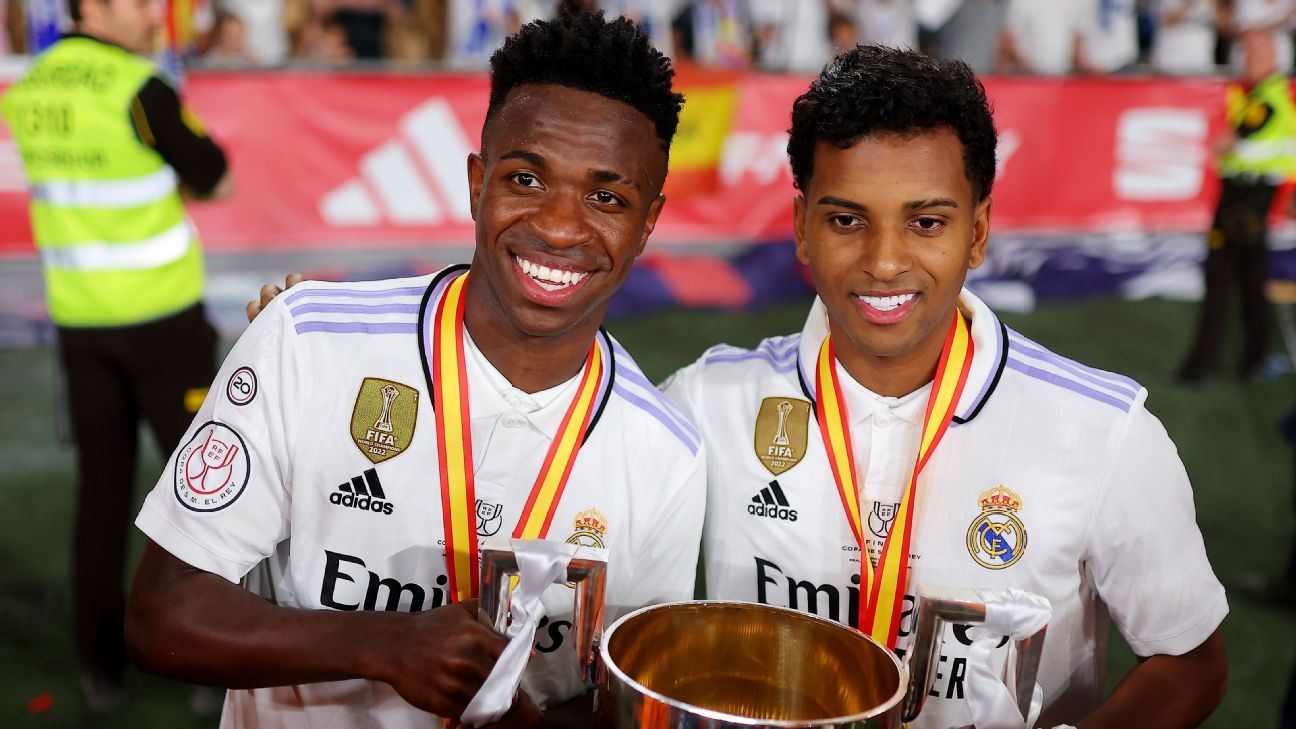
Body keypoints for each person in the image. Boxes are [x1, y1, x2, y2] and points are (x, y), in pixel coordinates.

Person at [125, 10, 704, 728]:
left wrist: (514, 717)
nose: (559, 226)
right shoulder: (306, 340)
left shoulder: (667, 451)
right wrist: (384, 642)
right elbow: (162, 613)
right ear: (476, 181)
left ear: (647, 222)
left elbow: (619, 701)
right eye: (527, 177)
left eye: (606, 197)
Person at [663, 45, 1229, 727]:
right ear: (801, 227)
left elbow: (1190, 661)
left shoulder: (1105, 430)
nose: (884, 260)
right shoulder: (708, 401)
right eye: (846, 219)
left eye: (926, 221)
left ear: (978, 230)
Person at [0, 0, 230, 712]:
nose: (155, 15)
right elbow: (215, 174)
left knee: (100, 497)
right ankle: (210, 663)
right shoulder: (138, 87)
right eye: (137, 1)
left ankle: (99, 669)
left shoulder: (33, 87)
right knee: (205, 494)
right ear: (93, 7)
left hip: (79, 321)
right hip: (163, 319)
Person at [1178, 29, 1296, 383]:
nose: (1248, 61)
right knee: (1249, 280)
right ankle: (1252, 360)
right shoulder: (1268, 97)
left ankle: (1202, 366)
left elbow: (1227, 143)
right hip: (1254, 201)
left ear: (1274, 59)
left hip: (1242, 202)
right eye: (1247, 54)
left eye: (1257, 54)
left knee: (1221, 279)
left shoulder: (1265, 100)